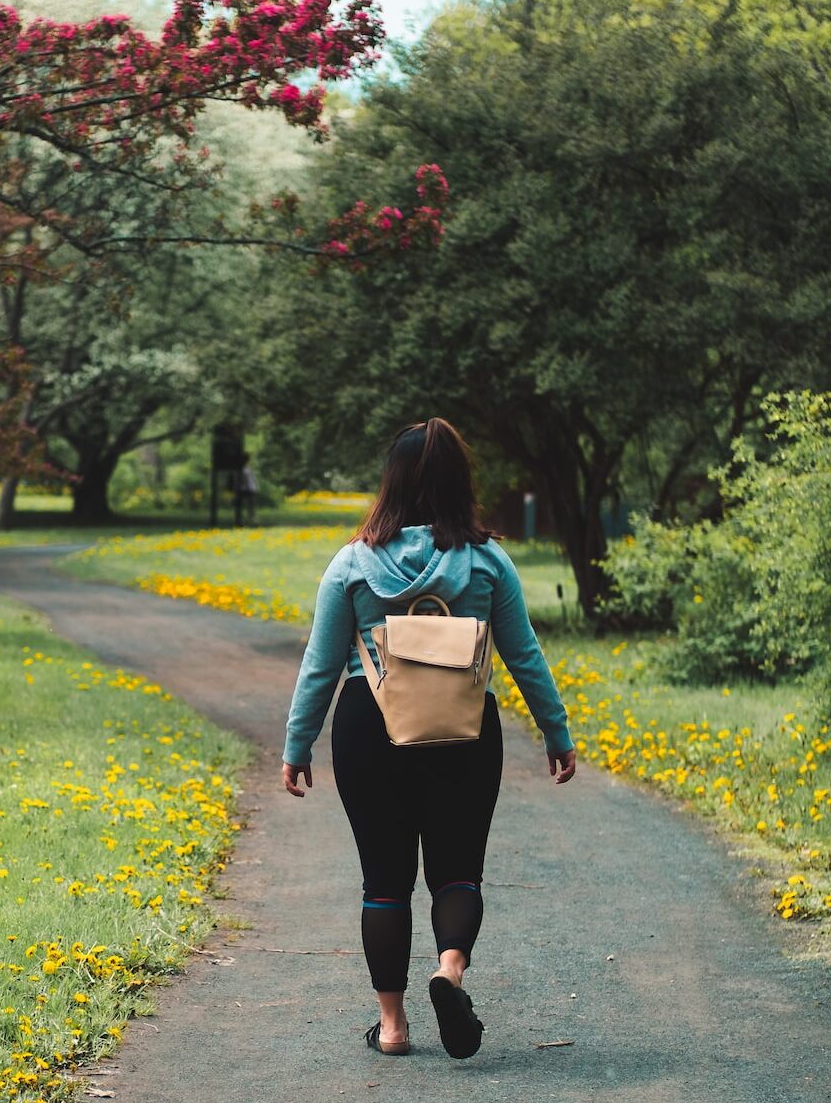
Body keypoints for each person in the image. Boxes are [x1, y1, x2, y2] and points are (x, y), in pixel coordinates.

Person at [280, 417, 576, 1060]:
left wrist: (297, 744)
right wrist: (556, 732)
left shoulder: (353, 562)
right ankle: (449, 973)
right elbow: (524, 655)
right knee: (457, 871)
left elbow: (322, 663)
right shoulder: (487, 561)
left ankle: (391, 1027)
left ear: (391, 483)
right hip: (464, 729)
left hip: (369, 727)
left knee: (384, 882)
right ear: (457, 483)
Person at [235, 452, 260, 527]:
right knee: (243, 505)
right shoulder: (241, 468)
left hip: (249, 488)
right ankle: (242, 520)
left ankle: (252, 520)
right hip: (244, 488)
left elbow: (251, 478)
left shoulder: (247, 467)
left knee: (251, 505)